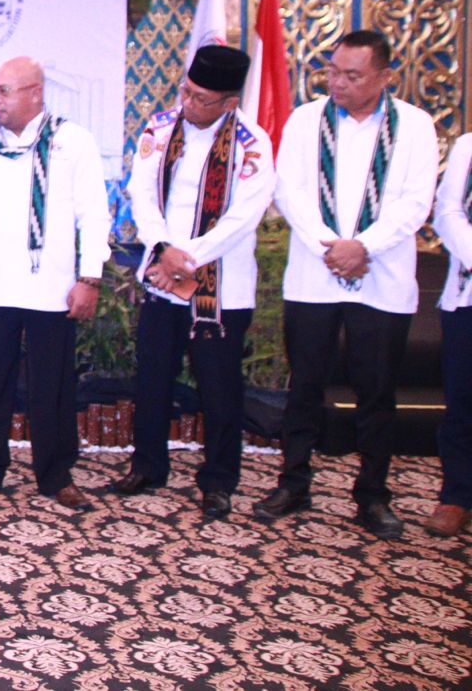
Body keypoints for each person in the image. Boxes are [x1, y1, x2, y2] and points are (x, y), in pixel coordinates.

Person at [252, 30, 437, 539]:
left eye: (352, 75)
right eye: (333, 71)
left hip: (381, 278)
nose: (338, 82)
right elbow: (288, 191)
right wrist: (330, 248)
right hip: (313, 277)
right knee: (304, 386)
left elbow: (416, 202)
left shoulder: (415, 126)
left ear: (384, 76)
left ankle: (372, 495)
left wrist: (364, 247)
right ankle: (294, 482)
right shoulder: (305, 119)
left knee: (376, 391)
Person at [0, 56, 112, 511]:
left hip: (53, 288)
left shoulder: (73, 142)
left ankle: (57, 476)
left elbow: (94, 214)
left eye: (5, 91)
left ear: (36, 92)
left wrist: (89, 277)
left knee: (53, 387)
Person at [111, 45, 274, 519]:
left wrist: (190, 258)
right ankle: (148, 467)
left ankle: (219, 480)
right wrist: (163, 248)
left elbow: (244, 217)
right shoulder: (160, 128)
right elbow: (142, 192)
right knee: (153, 377)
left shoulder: (252, 144)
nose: (188, 103)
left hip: (220, 286)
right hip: (162, 276)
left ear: (229, 102)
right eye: (186, 91)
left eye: (201, 98)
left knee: (219, 388)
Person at [427, 131, 472, 538]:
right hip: (468, 295)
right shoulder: (468, 147)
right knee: (463, 401)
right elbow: (448, 212)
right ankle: (457, 495)